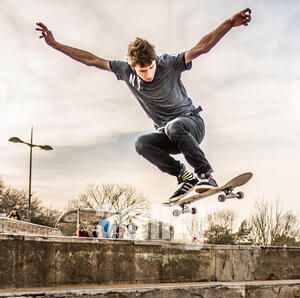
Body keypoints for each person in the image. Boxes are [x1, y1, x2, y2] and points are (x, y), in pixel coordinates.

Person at [36, 9, 251, 202]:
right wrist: (55, 45)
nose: (148, 74)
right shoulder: (124, 70)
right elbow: (90, 60)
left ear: (155, 60)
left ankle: (205, 175)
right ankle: (183, 176)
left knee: (174, 126)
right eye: (142, 71)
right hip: (170, 135)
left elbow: (202, 47)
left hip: (191, 124)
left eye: (150, 68)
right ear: (132, 67)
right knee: (141, 143)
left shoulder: (170, 63)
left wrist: (229, 23)